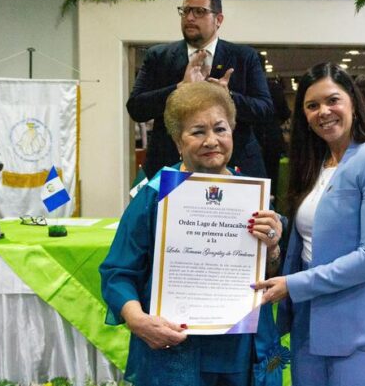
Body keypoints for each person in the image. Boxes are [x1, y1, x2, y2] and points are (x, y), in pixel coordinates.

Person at [101, 82, 284, 386]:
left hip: (241, 350)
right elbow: (117, 273)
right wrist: (138, 321)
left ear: (232, 133)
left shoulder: (252, 196)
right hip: (175, 347)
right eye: (198, 132)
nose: (211, 140)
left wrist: (274, 249)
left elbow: (271, 274)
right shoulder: (155, 195)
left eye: (220, 129)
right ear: (178, 142)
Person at [255, 63, 365, 386]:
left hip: (360, 332)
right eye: (312, 106)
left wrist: (294, 285)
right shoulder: (313, 164)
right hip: (307, 329)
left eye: (332, 100)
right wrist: (275, 233)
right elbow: (309, 234)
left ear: (353, 102)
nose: (323, 112)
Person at [126, 0, 273, 179]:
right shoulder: (158, 57)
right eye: (185, 11)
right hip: (171, 167)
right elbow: (136, 107)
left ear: (218, 19)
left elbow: (265, 110)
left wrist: (227, 96)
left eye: (199, 11)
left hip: (236, 166)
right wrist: (180, 88)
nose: (190, 18)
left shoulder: (244, 57)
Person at [253, 53, 291, 198]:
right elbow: (285, 113)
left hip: (252, 138)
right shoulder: (273, 87)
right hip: (271, 137)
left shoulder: (245, 88)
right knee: (271, 177)